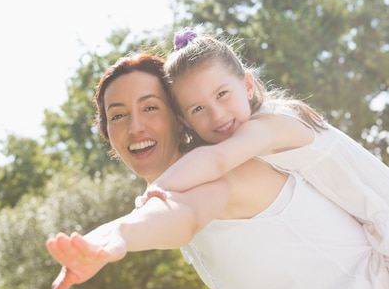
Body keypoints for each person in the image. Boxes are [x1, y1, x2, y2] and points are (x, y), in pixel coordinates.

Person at [46, 51, 389, 289]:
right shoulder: (199, 173)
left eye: (150, 107)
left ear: (178, 119)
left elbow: (186, 214)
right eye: (117, 115)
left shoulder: (228, 169)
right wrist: (102, 238)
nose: (136, 126)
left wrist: (123, 230)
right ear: (107, 135)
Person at [137, 27, 389, 267]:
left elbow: (216, 160)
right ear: (185, 121)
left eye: (222, 94)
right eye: (198, 109)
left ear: (247, 86)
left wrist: (159, 187)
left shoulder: (270, 124)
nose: (217, 115)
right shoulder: (255, 137)